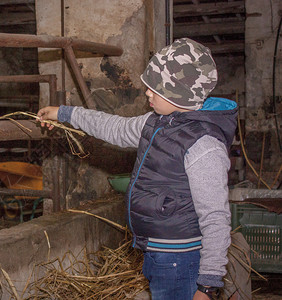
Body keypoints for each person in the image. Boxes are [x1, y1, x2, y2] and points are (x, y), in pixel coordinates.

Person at [37, 38, 238, 300]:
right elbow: (114, 128)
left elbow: (215, 218)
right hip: (155, 252)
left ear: (177, 93)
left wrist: (208, 284)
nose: (147, 94)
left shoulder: (204, 146)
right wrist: (66, 114)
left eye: (155, 89)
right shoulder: (156, 122)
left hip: (181, 260)